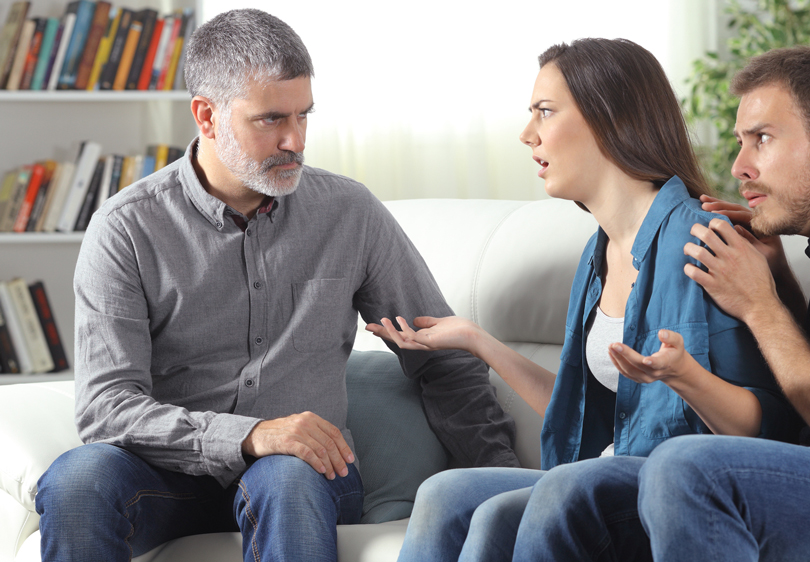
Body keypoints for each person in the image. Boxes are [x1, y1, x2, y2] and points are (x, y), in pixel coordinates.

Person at [33, 9, 518, 562]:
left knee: (285, 475)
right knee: (78, 480)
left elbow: (443, 356)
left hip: (302, 479)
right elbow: (107, 408)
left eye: (303, 116)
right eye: (269, 120)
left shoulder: (349, 213)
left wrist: (502, 481)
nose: (294, 140)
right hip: (164, 476)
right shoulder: (126, 228)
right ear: (206, 116)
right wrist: (248, 434)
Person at [509, 45, 810, 562]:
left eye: (762, 139)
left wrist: (759, 304)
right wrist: (780, 279)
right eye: (741, 143)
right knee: (536, 494)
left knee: (684, 465)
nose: (740, 167)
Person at [366, 38, 800, 562]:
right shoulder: (599, 257)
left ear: (607, 118)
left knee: (513, 509)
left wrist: (684, 375)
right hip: (600, 473)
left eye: (544, 113)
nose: (527, 135)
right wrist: (477, 341)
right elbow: (576, 414)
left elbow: (767, 429)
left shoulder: (704, 244)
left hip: (672, 490)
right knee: (443, 492)